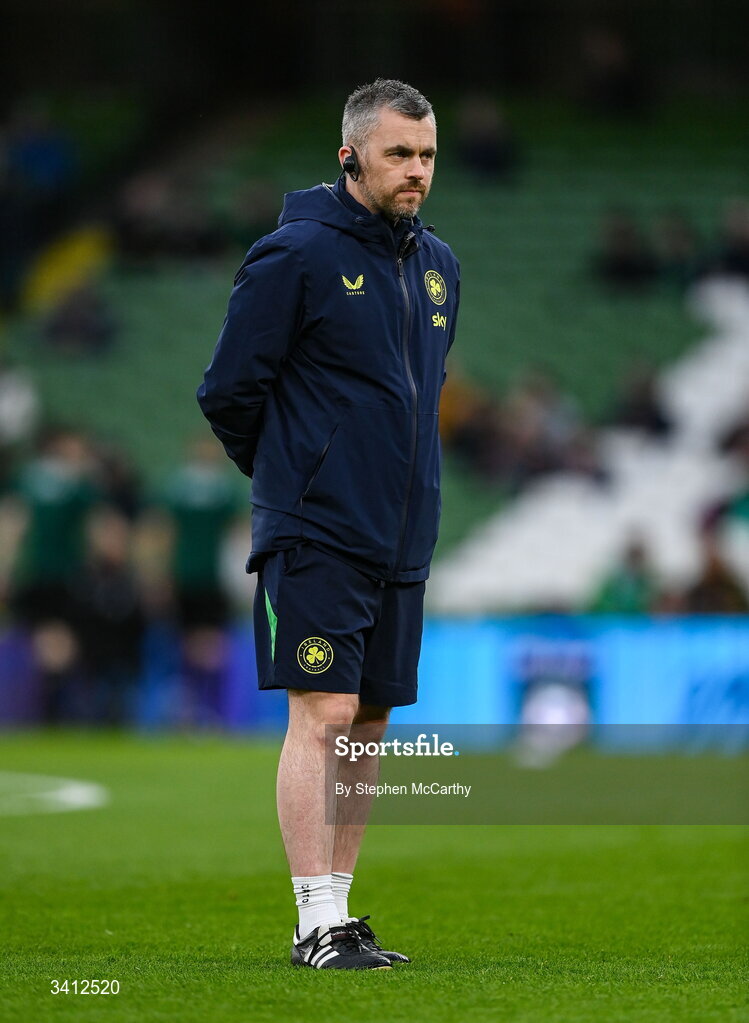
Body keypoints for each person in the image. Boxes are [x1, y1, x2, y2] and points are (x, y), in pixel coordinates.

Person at [198, 79, 460, 970]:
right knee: (325, 711)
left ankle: (340, 915)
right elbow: (228, 390)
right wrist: (295, 478)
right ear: (350, 155)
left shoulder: (439, 267)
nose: (416, 170)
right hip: (316, 526)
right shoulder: (294, 254)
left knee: (368, 723)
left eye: (426, 154)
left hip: (402, 532)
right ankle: (313, 920)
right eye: (399, 154)